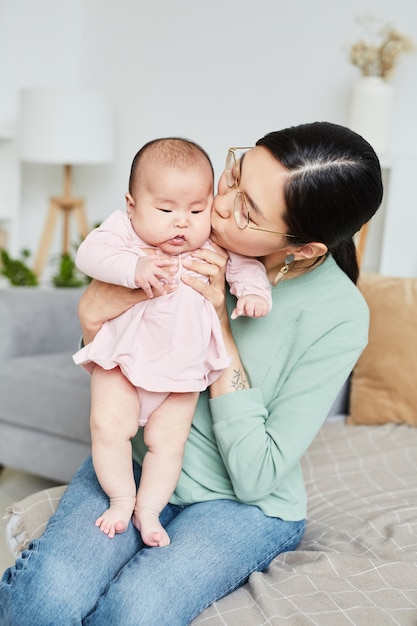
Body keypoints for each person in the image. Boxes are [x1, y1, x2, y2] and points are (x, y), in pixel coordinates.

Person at [0, 121, 383, 626]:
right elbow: (110, 344)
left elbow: (256, 476)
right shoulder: (181, 235)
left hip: (240, 505)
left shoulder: (340, 316)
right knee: (46, 598)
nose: (219, 205)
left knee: (133, 612)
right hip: (139, 464)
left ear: (304, 247)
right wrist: (94, 316)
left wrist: (222, 330)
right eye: (234, 176)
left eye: (247, 210)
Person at [73, 137, 272, 545]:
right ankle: (121, 497)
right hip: (123, 362)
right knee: (109, 425)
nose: (182, 222)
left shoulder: (212, 244)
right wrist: (134, 267)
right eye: (165, 210)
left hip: (182, 371)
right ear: (132, 205)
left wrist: (255, 294)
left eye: (196, 210)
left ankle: (148, 510)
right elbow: (89, 254)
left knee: (168, 445)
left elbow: (246, 267)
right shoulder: (124, 233)